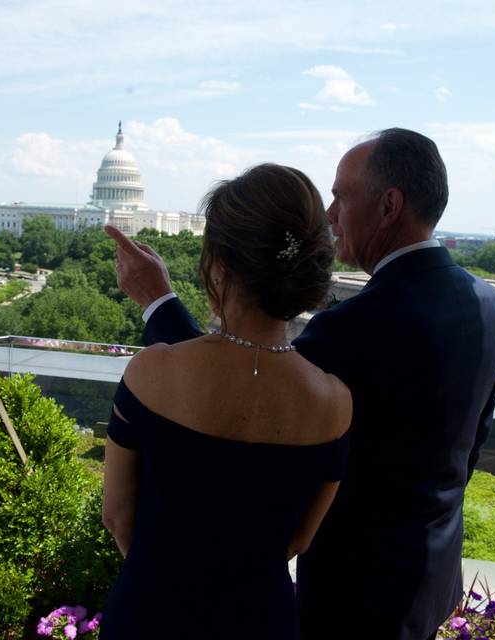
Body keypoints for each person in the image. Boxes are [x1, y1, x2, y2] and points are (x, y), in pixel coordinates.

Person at [107, 128, 495, 640]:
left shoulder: (352, 329)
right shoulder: (491, 307)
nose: (330, 214)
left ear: (389, 205)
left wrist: (159, 303)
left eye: (341, 195)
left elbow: (232, 388)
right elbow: (470, 446)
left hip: (351, 591)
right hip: (431, 578)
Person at [101, 164, 353, 640]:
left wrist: (169, 586)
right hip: (261, 619)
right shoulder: (334, 403)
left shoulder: (152, 372)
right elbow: (298, 539)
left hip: (150, 613)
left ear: (218, 263)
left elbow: (117, 515)